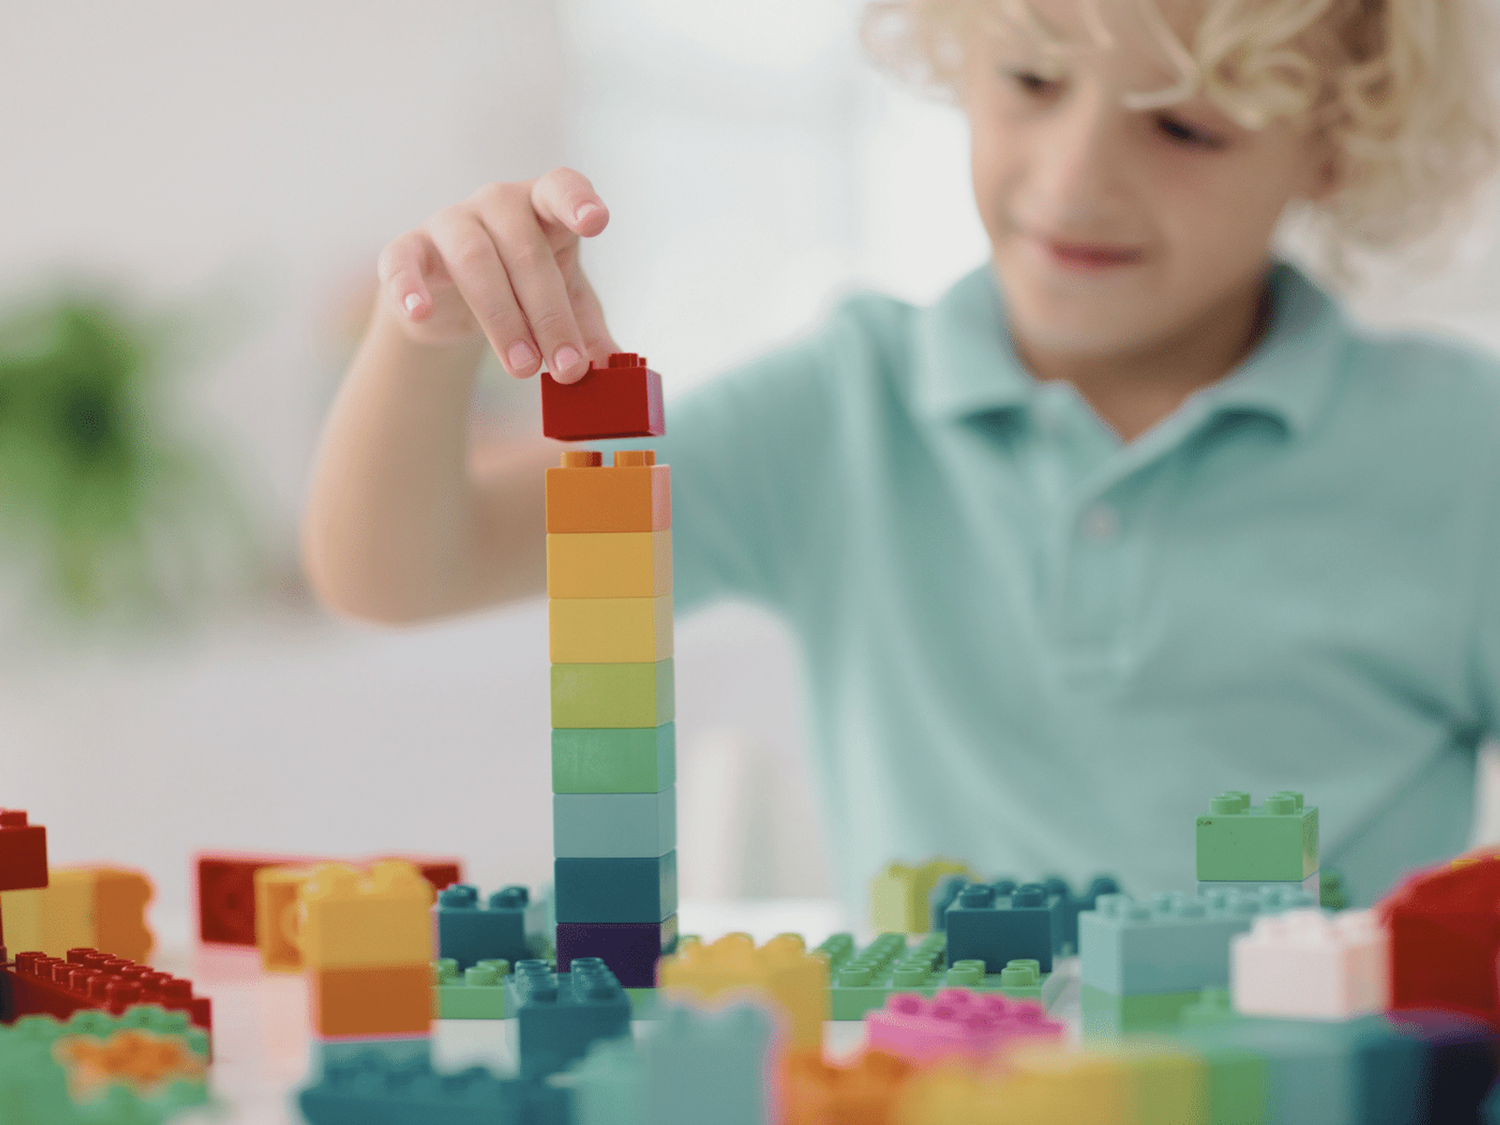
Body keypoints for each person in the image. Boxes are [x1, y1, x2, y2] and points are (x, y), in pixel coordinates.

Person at [302, 0, 1500, 909]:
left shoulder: (1462, 451)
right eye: (1033, 80)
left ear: (1332, 150)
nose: (1076, 177)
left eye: (1187, 128)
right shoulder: (844, 410)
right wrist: (429, 335)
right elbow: (402, 571)